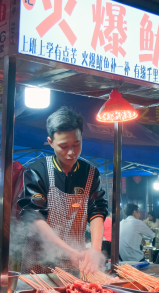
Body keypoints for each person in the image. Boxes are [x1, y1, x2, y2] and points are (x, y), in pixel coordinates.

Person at [18, 107, 108, 273]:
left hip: (75, 260)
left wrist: (95, 249)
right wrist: (68, 250)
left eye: (76, 144)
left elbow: (97, 211)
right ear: (50, 142)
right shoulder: (38, 170)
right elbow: (35, 216)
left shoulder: (90, 173)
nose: (71, 153)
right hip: (38, 261)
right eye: (63, 146)